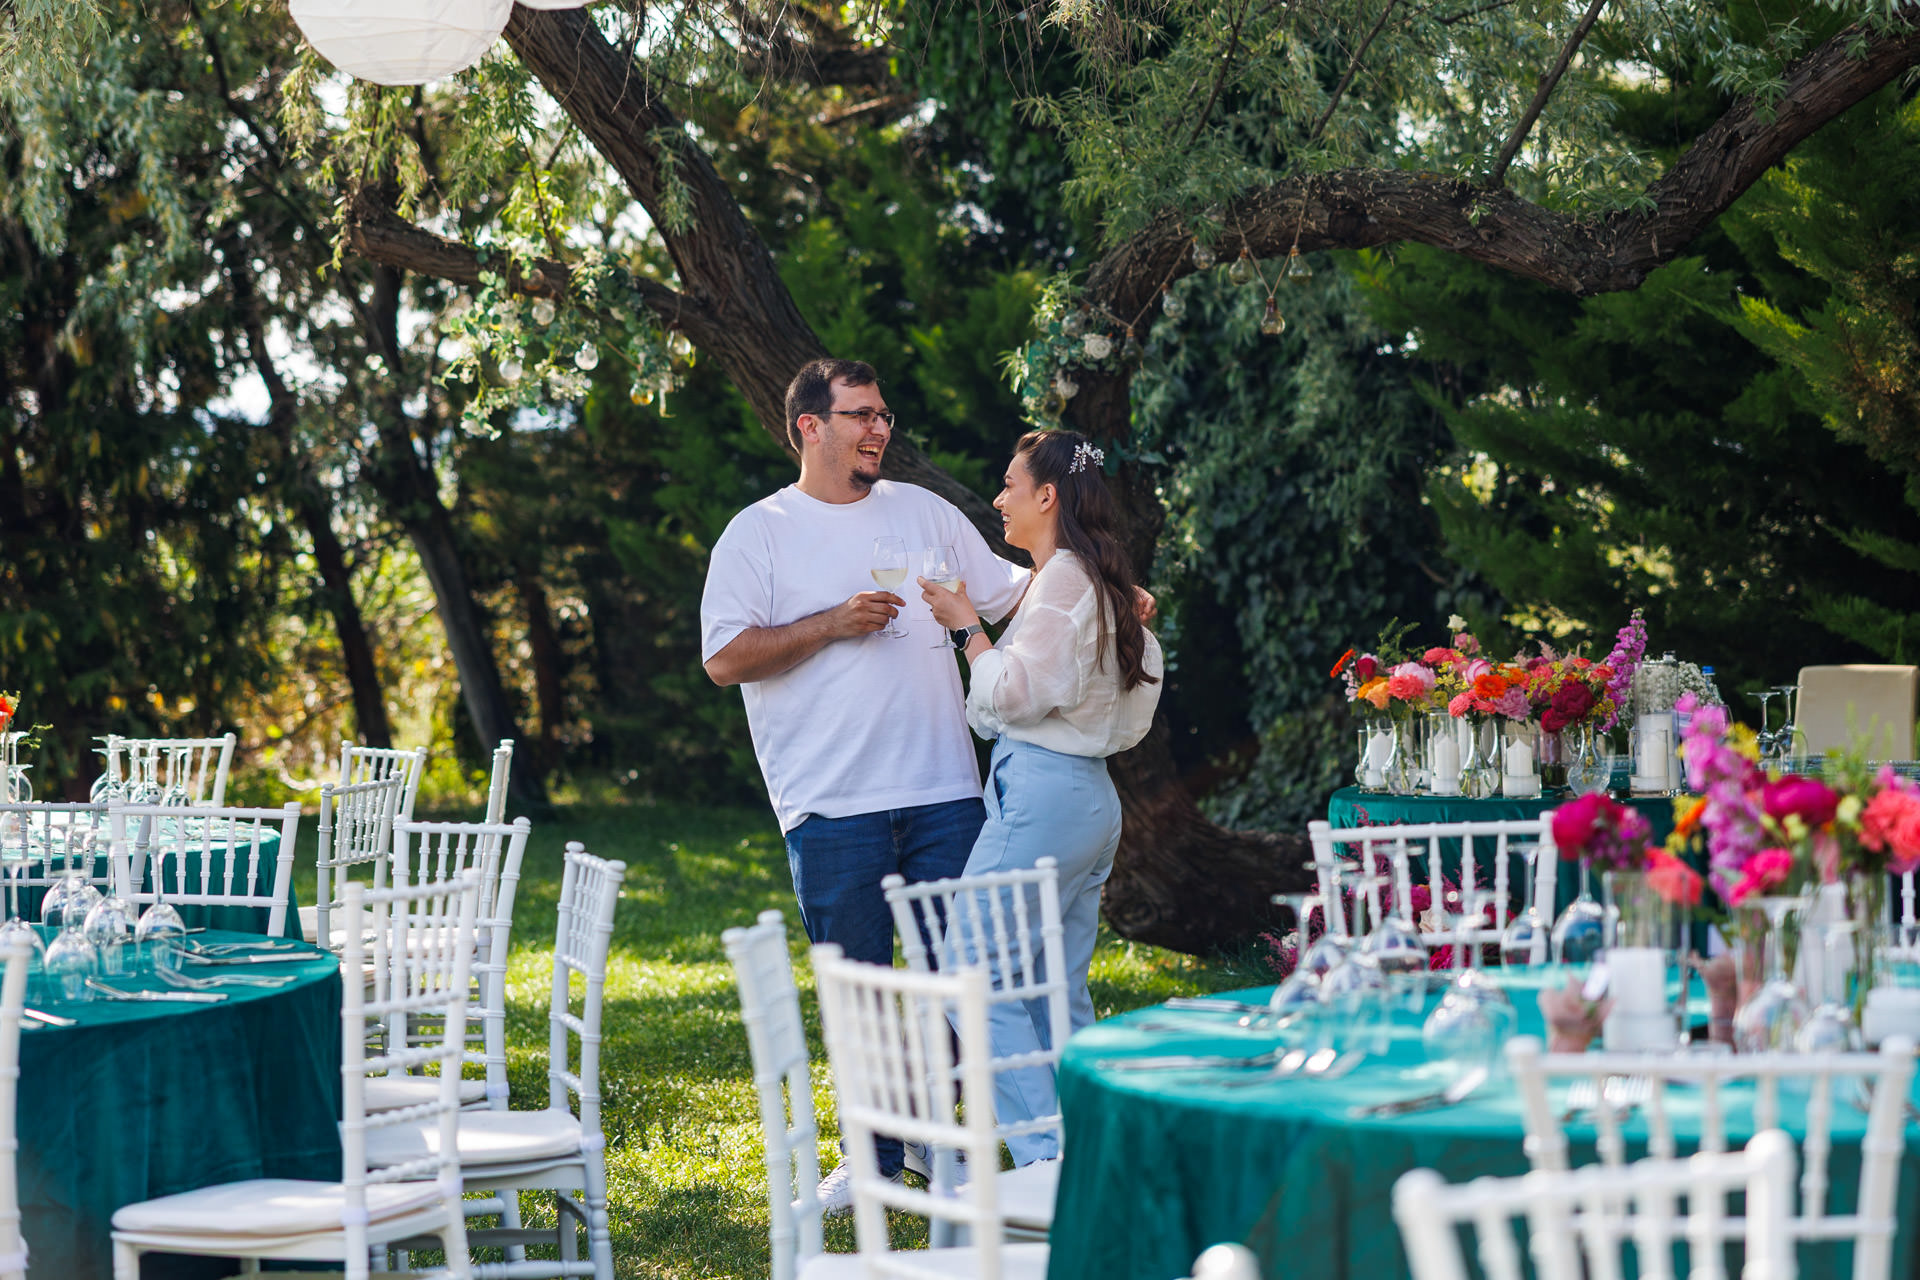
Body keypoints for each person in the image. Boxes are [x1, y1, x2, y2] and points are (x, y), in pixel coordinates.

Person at [700, 358, 1030, 1207]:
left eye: (884, 415)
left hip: (944, 789)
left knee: (964, 979)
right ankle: (875, 1160)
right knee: (862, 989)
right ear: (810, 426)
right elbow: (725, 658)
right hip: (831, 801)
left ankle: (934, 1136)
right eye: (862, 416)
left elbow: (1013, 593)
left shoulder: (925, 513)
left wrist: (1102, 590)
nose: (880, 429)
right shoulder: (759, 532)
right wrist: (833, 624)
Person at [919, 427, 1163, 1167]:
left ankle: (1047, 1158)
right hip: (1089, 799)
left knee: (971, 976)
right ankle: (1094, 1152)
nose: (999, 500)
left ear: (1048, 496)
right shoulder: (1091, 580)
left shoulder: (1064, 581)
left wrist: (968, 629)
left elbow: (1017, 694)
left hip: (1045, 796)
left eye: (1010, 486)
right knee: (1050, 987)